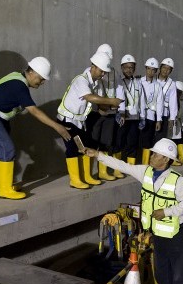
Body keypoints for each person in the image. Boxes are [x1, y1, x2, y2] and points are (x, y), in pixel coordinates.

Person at [84, 138, 183, 284]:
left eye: (156, 154)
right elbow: (123, 166)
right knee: (161, 271)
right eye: (153, 153)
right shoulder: (145, 172)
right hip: (159, 233)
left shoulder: (177, 181)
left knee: (179, 273)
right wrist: (98, 156)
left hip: (178, 234)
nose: (151, 156)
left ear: (167, 159)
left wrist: (166, 212)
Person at [0, 56, 71, 199]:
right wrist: (58, 127)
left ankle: (3, 185)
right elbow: (34, 111)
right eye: (41, 78)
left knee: (5, 149)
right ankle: (5, 190)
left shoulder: (17, 77)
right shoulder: (20, 86)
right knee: (7, 149)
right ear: (31, 72)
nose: (42, 82)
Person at [56, 51, 123, 189]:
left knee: (86, 145)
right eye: (101, 71)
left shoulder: (94, 82)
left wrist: (108, 106)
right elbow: (90, 97)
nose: (103, 74)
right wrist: (111, 101)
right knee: (73, 148)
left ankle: (86, 176)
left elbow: (97, 101)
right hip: (67, 119)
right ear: (93, 66)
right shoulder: (82, 80)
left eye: (105, 72)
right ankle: (75, 180)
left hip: (79, 121)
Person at [87, 44, 120, 182]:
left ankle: (102, 171)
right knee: (91, 143)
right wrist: (101, 105)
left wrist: (115, 107)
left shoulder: (113, 72)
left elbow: (118, 89)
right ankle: (88, 174)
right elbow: (89, 95)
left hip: (109, 113)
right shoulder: (89, 73)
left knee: (106, 143)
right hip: (94, 113)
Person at [114, 54, 142, 177]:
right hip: (123, 118)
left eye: (131, 67)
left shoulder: (137, 82)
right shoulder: (118, 82)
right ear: (121, 68)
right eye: (126, 67)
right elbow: (118, 98)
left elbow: (142, 100)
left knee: (132, 143)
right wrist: (120, 113)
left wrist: (143, 116)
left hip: (134, 118)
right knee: (119, 143)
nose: (129, 70)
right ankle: (117, 169)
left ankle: (130, 169)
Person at [139, 57, 163, 165]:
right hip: (138, 116)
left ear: (156, 71)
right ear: (145, 68)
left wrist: (159, 120)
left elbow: (159, 103)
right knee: (135, 139)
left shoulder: (158, 85)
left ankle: (145, 164)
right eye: (149, 69)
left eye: (153, 70)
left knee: (147, 141)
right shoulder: (139, 81)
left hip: (150, 117)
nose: (151, 72)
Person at [156, 58, 178, 144]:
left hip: (164, 114)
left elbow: (173, 103)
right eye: (164, 67)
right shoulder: (152, 79)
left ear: (171, 71)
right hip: (150, 113)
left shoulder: (172, 84)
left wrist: (172, 118)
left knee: (160, 138)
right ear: (160, 68)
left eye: (169, 69)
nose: (166, 70)